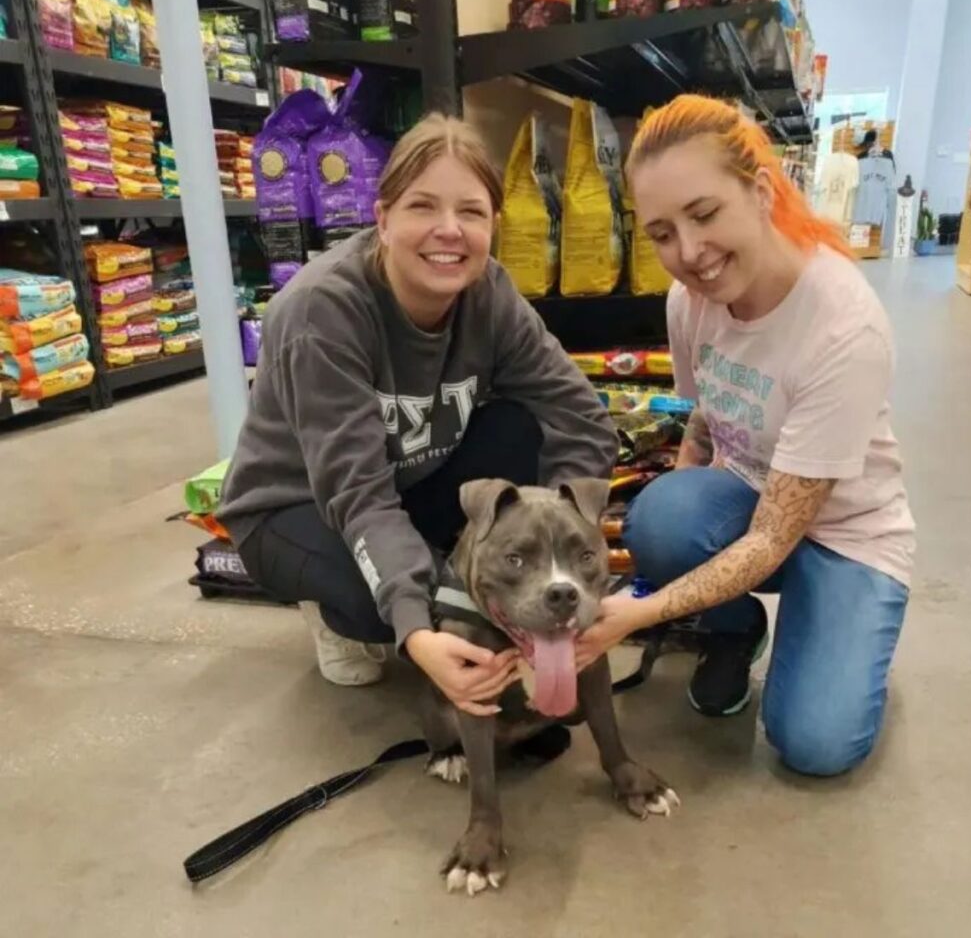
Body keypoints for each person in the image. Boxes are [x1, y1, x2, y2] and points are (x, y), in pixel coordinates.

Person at [218, 113, 618, 718]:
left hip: (412, 474)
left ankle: (422, 579)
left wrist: (563, 547)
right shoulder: (320, 313)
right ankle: (335, 610)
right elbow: (359, 494)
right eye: (423, 207)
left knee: (521, 425)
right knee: (406, 603)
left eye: (472, 212)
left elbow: (582, 418)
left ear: (494, 226)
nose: (449, 231)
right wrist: (418, 617)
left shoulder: (490, 296)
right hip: (296, 510)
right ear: (382, 218)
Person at [576, 95, 915, 777]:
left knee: (816, 744)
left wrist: (641, 611)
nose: (690, 253)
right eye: (662, 232)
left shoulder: (844, 328)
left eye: (705, 215)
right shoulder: (689, 301)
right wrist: (669, 516)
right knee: (661, 517)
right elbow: (706, 418)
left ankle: (839, 629)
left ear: (759, 192)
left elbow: (769, 539)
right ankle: (734, 632)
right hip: (750, 495)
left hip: (847, 534)